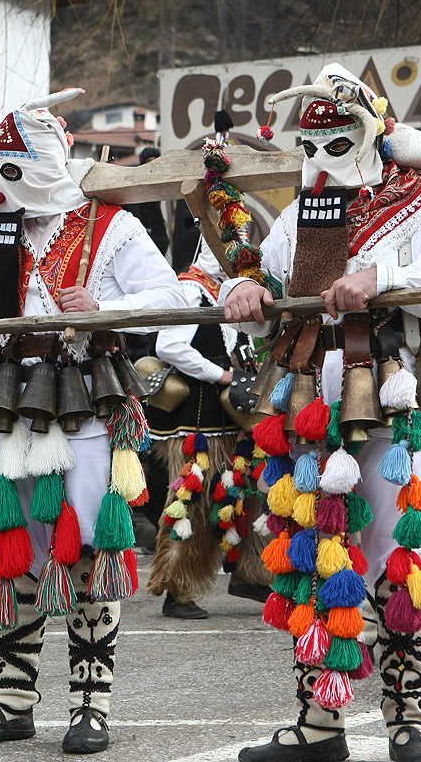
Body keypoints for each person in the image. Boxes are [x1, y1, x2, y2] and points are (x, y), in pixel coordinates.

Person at [220, 64, 421, 762]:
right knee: (313, 546)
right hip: (312, 400)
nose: (322, 162)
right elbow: (262, 277)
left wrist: (383, 278)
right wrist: (242, 293)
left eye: (338, 144)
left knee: (400, 554)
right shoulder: (306, 212)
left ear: (372, 136)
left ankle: (408, 724)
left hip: (391, 399)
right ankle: (318, 725)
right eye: (311, 147)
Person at [0, 88, 185, 754]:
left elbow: (174, 300)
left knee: (88, 553)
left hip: (86, 400)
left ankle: (90, 707)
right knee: (11, 547)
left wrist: (103, 306)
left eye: (13, 169)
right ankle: (10, 702)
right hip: (7, 398)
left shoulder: (114, 225)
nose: (2, 183)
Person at [145, 242, 271, 619]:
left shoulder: (233, 291)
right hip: (196, 420)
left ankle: (251, 575)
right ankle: (176, 587)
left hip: (232, 415)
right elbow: (168, 346)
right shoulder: (191, 289)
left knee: (244, 491)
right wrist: (222, 374)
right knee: (192, 501)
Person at [123, 147, 170, 254]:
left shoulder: (160, 181)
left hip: (158, 232)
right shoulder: (135, 184)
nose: (153, 165)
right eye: (149, 161)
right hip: (140, 232)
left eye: (155, 161)